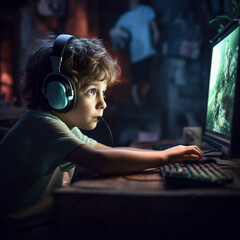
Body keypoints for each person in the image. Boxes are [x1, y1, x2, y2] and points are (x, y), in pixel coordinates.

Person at [0, 33, 203, 239]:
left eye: (103, 93)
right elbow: (102, 161)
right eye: (91, 91)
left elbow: (113, 154)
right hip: (20, 231)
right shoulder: (41, 124)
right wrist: (166, 157)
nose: (103, 103)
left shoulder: (67, 128)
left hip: (41, 225)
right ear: (58, 91)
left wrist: (163, 158)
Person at [111, 0, 160, 106]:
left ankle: (143, 98)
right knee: (136, 80)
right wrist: (120, 39)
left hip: (148, 51)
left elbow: (155, 30)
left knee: (147, 78)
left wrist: (156, 48)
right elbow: (115, 31)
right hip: (135, 54)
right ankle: (137, 101)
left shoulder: (146, 11)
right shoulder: (125, 17)